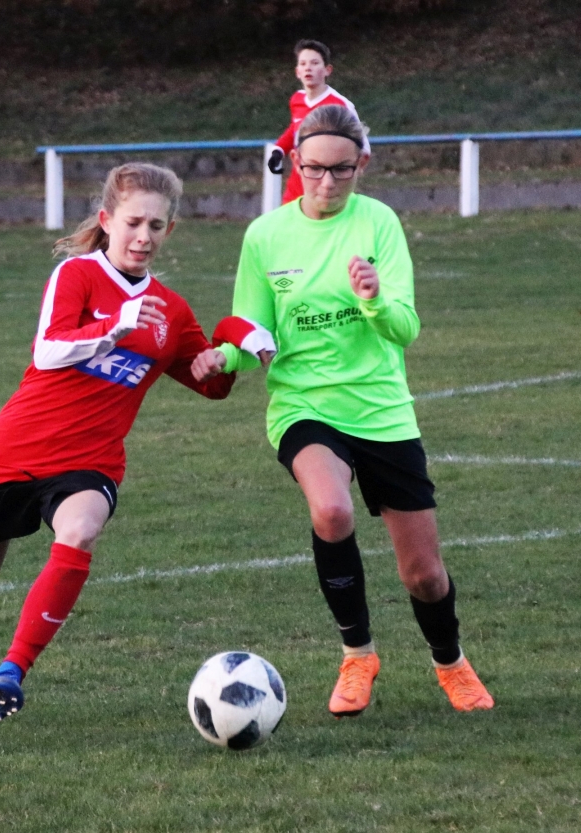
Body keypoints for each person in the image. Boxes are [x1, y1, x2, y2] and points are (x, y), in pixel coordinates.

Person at [193, 105, 494, 717]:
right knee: (331, 510)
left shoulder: (379, 223)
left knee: (424, 576)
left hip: (382, 410)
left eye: (341, 170)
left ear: (362, 165)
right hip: (304, 405)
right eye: (313, 169)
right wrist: (224, 356)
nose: (326, 182)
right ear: (294, 163)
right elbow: (253, 335)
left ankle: (450, 662)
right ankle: (357, 655)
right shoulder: (265, 236)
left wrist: (374, 299)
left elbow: (406, 329)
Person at [0, 163, 235, 721]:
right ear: (107, 220)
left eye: (156, 226)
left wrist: (224, 358)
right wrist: (114, 327)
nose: (143, 236)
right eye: (133, 222)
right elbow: (47, 350)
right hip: (16, 449)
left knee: (80, 531)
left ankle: (10, 671)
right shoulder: (76, 275)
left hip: (90, 462)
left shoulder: (170, 310)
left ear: (170, 230)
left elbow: (210, 385)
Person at [267, 39, 371, 206]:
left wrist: (343, 170)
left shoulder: (340, 104)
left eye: (315, 63)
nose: (308, 68)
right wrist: (279, 150)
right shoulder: (297, 99)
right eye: (303, 64)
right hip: (298, 180)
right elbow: (295, 128)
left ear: (327, 70)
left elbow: (363, 145)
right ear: (297, 72)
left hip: (325, 181)